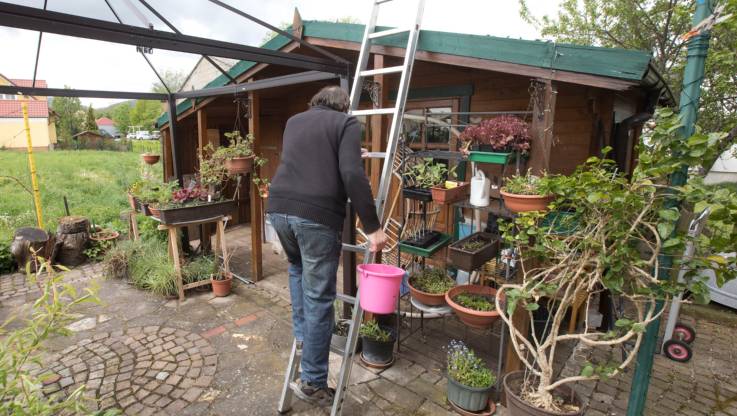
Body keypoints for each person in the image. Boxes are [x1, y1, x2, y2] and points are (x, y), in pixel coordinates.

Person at [266, 85, 387, 406]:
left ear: (315, 103)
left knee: (296, 269)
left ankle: (306, 339)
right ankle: (313, 382)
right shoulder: (346, 123)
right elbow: (351, 172)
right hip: (315, 218)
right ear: (343, 107)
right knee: (320, 298)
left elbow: (313, 160)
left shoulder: (294, 121)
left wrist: (346, 153)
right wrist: (373, 227)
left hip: (278, 209)